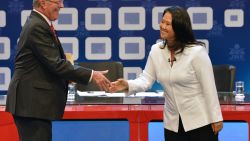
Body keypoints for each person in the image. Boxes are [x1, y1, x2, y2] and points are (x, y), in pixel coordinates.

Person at [109, 6, 223, 141]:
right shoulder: (156, 51)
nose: (162, 26)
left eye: (168, 24)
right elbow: (146, 79)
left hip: (200, 122)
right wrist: (127, 84)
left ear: (179, 28)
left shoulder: (196, 52)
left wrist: (216, 118)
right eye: (162, 21)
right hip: (172, 124)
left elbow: (209, 87)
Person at [5, 0, 111, 141]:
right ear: (43, 3)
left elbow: (47, 64)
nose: (61, 6)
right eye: (58, 2)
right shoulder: (37, 26)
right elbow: (55, 64)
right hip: (30, 105)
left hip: (33, 105)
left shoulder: (39, 23)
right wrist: (92, 75)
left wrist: (68, 76)